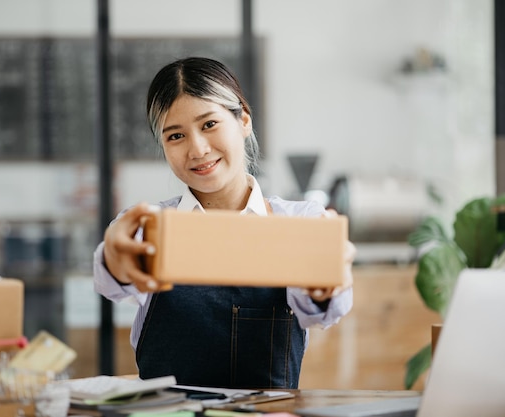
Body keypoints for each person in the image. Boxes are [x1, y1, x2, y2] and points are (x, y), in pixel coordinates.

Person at [93, 57, 354, 389]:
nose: (197, 149)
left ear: (243, 120)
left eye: (209, 124)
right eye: (175, 136)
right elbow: (110, 282)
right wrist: (113, 258)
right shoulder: (149, 227)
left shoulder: (301, 223)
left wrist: (326, 286)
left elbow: (325, 312)